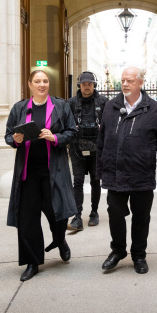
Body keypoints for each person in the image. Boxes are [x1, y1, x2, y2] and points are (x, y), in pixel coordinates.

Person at [97, 66, 157, 274]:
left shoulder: (154, 109)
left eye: (130, 81)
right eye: (123, 80)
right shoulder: (111, 107)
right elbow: (101, 141)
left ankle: (139, 255)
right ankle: (118, 250)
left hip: (142, 173)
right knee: (114, 212)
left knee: (141, 217)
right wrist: (100, 171)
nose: (124, 84)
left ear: (141, 83)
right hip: (116, 172)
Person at [5, 69, 78, 281]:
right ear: (30, 84)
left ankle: (60, 239)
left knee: (58, 213)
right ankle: (32, 262)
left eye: (45, 81)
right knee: (28, 220)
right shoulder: (20, 108)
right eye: (37, 81)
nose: (42, 84)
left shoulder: (60, 106)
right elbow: (9, 134)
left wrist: (55, 137)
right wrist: (15, 140)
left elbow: (72, 131)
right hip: (28, 174)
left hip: (53, 171)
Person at [67, 71, 109, 231]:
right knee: (77, 181)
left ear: (94, 85)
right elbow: (65, 123)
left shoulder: (103, 102)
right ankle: (77, 215)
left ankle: (94, 213)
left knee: (95, 181)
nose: (86, 87)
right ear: (79, 85)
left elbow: (110, 124)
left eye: (89, 84)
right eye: (84, 84)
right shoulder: (71, 103)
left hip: (97, 148)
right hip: (77, 148)